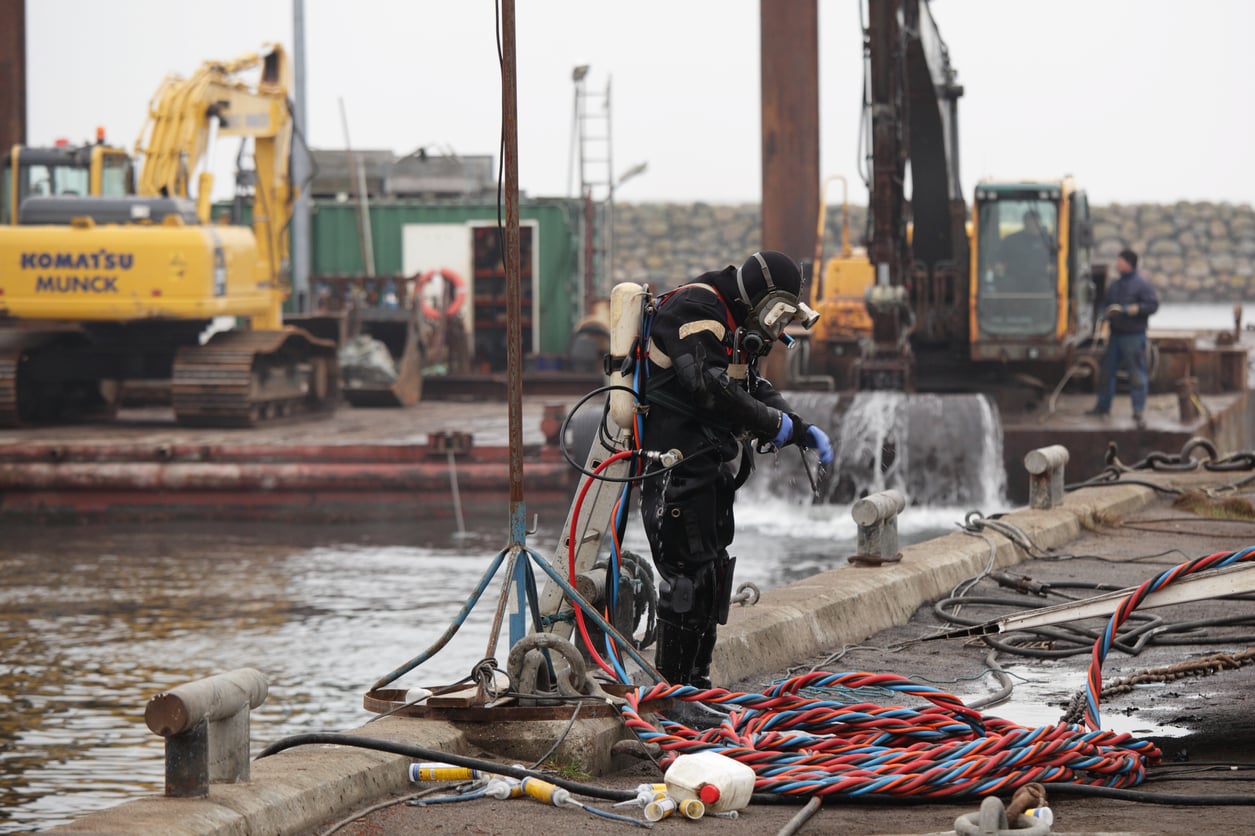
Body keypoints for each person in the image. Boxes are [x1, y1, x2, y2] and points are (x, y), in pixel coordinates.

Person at [637, 250, 834, 691]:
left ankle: (697, 685)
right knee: (686, 577)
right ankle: (673, 694)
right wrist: (771, 422)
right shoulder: (697, 308)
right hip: (674, 464)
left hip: (708, 467)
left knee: (710, 574)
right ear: (758, 296)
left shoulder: (733, 321)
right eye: (778, 311)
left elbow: (750, 384)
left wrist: (797, 427)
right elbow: (707, 386)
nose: (777, 323)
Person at [1087, 248, 1159, 428]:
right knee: (1107, 373)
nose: (1117, 264)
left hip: (1133, 336)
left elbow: (1152, 305)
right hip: (1116, 336)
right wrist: (1105, 314)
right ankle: (1102, 407)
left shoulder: (1142, 285)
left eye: (1120, 261)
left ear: (1129, 263)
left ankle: (1138, 410)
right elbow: (1106, 303)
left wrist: (1132, 309)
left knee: (1136, 374)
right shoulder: (1115, 285)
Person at [998, 209, 1054, 292]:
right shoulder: (1011, 240)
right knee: (1007, 284)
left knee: (1046, 285)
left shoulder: (1049, 241)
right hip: (1015, 278)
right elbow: (999, 259)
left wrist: (1053, 267)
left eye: (1036, 221)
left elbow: (1057, 261)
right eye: (1030, 221)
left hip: (1040, 279)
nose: (1034, 224)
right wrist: (999, 266)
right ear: (1024, 222)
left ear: (1040, 222)